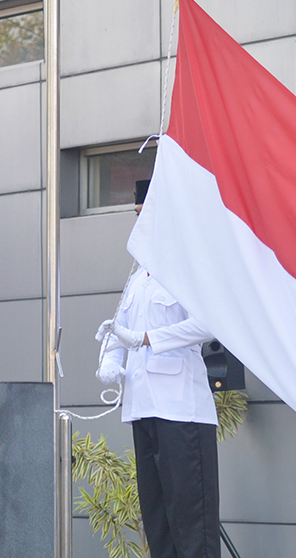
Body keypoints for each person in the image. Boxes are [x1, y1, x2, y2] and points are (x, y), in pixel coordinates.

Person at [95, 179, 221, 557]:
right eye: (136, 215)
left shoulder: (188, 267)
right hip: (143, 408)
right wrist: (111, 359)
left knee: (192, 528)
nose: (139, 223)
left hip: (181, 411)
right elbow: (120, 329)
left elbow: (209, 324)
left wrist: (146, 339)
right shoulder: (138, 277)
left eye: (144, 213)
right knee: (158, 526)